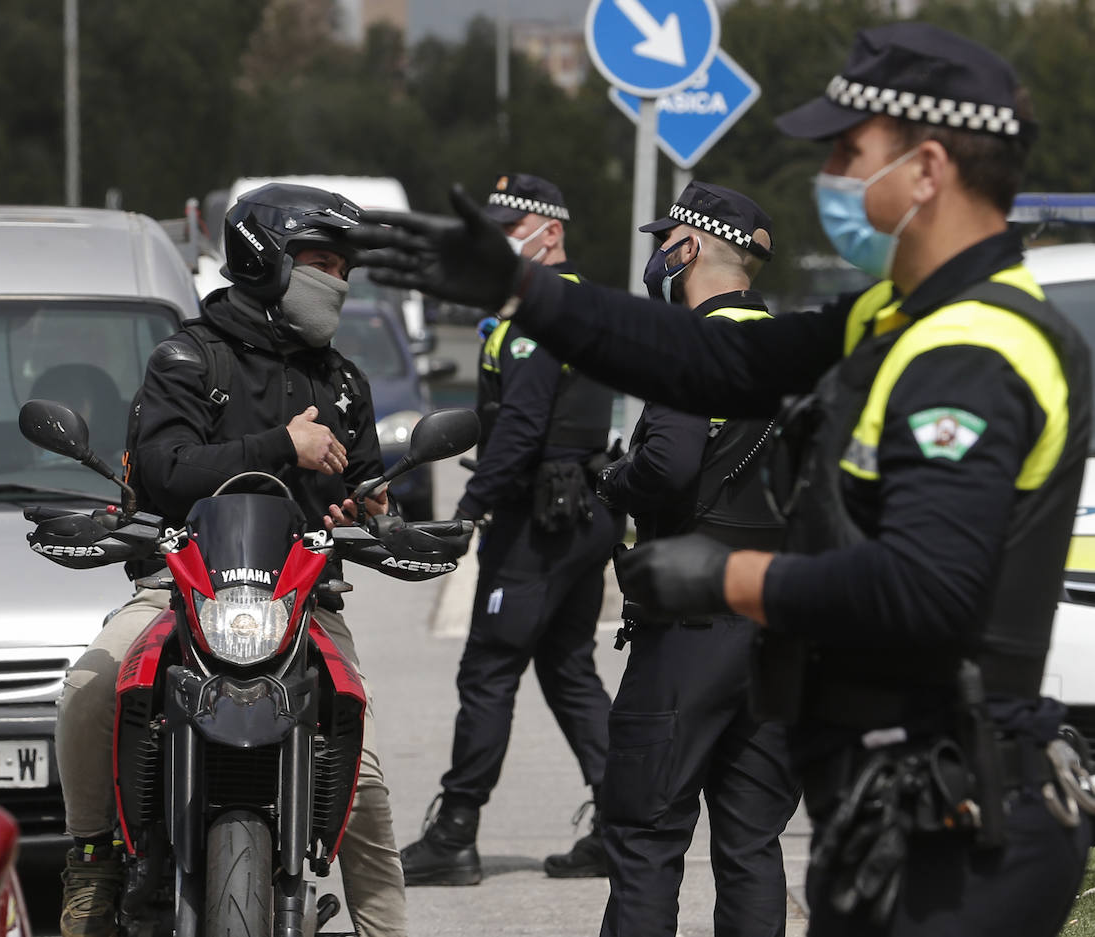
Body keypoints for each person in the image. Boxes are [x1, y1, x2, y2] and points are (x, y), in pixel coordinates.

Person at [349, 22, 1094, 937]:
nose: (830, 173)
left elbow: (928, 585)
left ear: (928, 167)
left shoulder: (976, 349)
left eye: (848, 150)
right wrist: (525, 291)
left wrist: (727, 578)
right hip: (906, 804)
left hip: (964, 831)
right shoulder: (899, 315)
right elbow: (710, 362)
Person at [55, 183, 407, 937]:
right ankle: (91, 861)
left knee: (367, 782)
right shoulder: (187, 357)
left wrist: (371, 510)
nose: (337, 281)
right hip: (182, 588)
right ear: (265, 259)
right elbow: (164, 471)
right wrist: (284, 444)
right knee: (88, 687)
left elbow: (367, 484)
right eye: (320, 261)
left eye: (344, 267)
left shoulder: (344, 382)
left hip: (302, 601)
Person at [399, 173, 621, 886]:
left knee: (489, 669)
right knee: (568, 667)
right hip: (582, 515)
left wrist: (470, 509)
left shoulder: (538, 320)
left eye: (510, 228)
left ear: (549, 232)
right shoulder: (570, 305)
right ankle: (623, 821)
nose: (498, 242)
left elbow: (522, 428)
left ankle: (455, 832)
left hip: (541, 523)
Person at [594, 181, 799, 936]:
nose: (656, 258)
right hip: (776, 628)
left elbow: (669, 467)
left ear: (686, 250)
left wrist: (615, 478)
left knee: (648, 833)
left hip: (690, 628)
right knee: (751, 841)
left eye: (663, 243)